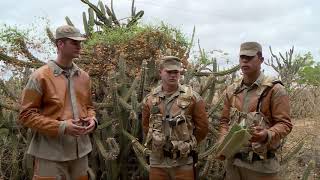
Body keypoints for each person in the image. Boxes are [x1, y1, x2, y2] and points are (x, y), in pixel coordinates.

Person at [18, 25, 97, 180]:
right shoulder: (40, 77)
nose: (79, 46)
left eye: (80, 42)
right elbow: (26, 115)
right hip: (50, 155)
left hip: (80, 154)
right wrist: (61, 127)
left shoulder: (84, 77)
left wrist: (93, 119)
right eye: (74, 42)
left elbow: (89, 107)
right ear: (60, 44)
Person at [217, 42, 293, 180]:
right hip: (234, 165)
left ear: (261, 60)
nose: (245, 60)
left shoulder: (274, 89)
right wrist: (223, 142)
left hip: (261, 167)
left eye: (250, 57)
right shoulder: (231, 90)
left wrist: (267, 134)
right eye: (242, 57)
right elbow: (224, 121)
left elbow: (285, 124)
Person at [142, 56, 209, 180]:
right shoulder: (150, 100)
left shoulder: (193, 98)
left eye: (176, 72)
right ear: (160, 72)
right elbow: (146, 126)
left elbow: (202, 129)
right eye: (169, 72)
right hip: (158, 161)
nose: (173, 75)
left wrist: (185, 145)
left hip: (183, 162)